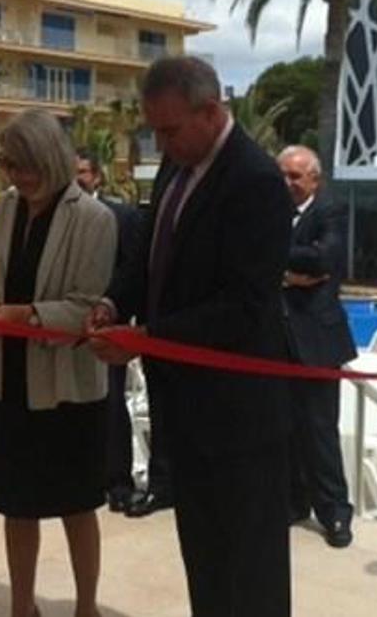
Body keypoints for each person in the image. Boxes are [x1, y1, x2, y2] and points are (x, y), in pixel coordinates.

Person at [88, 56, 294, 616]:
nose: (161, 143)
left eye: (170, 130)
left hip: (239, 415)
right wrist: (114, 303)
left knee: (249, 566)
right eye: (155, 130)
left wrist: (148, 336)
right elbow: (152, 263)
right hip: (186, 405)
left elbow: (245, 306)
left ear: (211, 112)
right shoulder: (180, 167)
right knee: (204, 555)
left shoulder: (254, 181)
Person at [0, 109, 116, 617]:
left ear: (51, 159)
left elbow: (87, 305)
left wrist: (28, 315)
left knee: (77, 503)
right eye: (9, 164)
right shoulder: (0, 211)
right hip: (6, 379)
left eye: (26, 164)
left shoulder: (94, 217)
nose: (17, 176)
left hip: (66, 387)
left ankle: (86, 606)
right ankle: (21, 605)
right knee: (15, 503)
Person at [277, 145, 357, 549]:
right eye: (283, 175)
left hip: (318, 343)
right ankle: (294, 503)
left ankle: (336, 513)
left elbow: (325, 257)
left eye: (295, 176)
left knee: (320, 431)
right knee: (285, 430)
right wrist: (287, 274)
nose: (287, 183)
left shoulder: (330, 211)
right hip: (277, 343)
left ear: (314, 179)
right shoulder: (270, 214)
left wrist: (274, 259)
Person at [74, 149, 146, 514]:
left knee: (112, 402)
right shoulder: (58, 218)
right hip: (67, 327)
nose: (78, 179)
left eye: (83, 172)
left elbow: (133, 269)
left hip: (109, 324)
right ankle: (80, 476)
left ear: (98, 177)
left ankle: (118, 481)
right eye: (72, 173)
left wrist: (112, 308)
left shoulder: (125, 217)